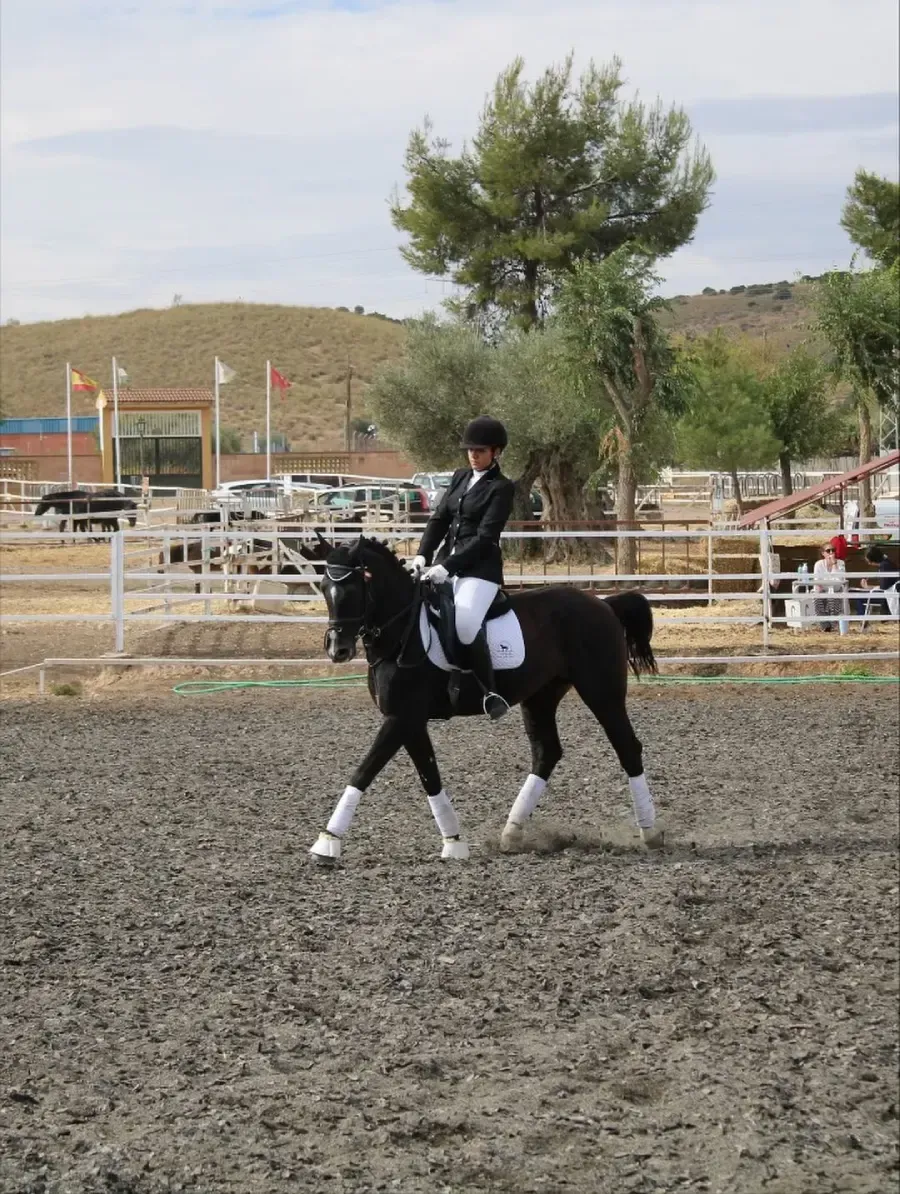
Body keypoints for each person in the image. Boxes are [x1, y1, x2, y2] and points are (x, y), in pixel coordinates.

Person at [412, 416, 515, 719]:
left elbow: (485, 538)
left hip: (479, 571)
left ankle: (490, 692)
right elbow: (439, 519)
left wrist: (447, 566)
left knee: (467, 622)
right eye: (470, 450)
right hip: (445, 563)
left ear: (495, 452)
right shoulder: (459, 477)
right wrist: (422, 555)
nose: (473, 455)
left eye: (480, 450)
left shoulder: (501, 488)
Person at [855, 545, 899, 618]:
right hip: (890, 592)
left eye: (868, 560)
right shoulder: (886, 563)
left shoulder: (884, 566)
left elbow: (884, 587)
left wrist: (868, 587)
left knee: (859, 597)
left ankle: (862, 622)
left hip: (888, 596)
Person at [812, 542, 846, 632]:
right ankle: (825, 625)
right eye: (828, 550)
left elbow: (839, 581)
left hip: (836, 590)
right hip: (823, 590)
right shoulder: (818, 564)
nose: (831, 552)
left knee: (832, 597)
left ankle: (833, 624)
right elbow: (817, 580)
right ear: (823, 553)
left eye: (833, 550)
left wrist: (834, 564)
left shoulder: (841, 563)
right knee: (817, 598)